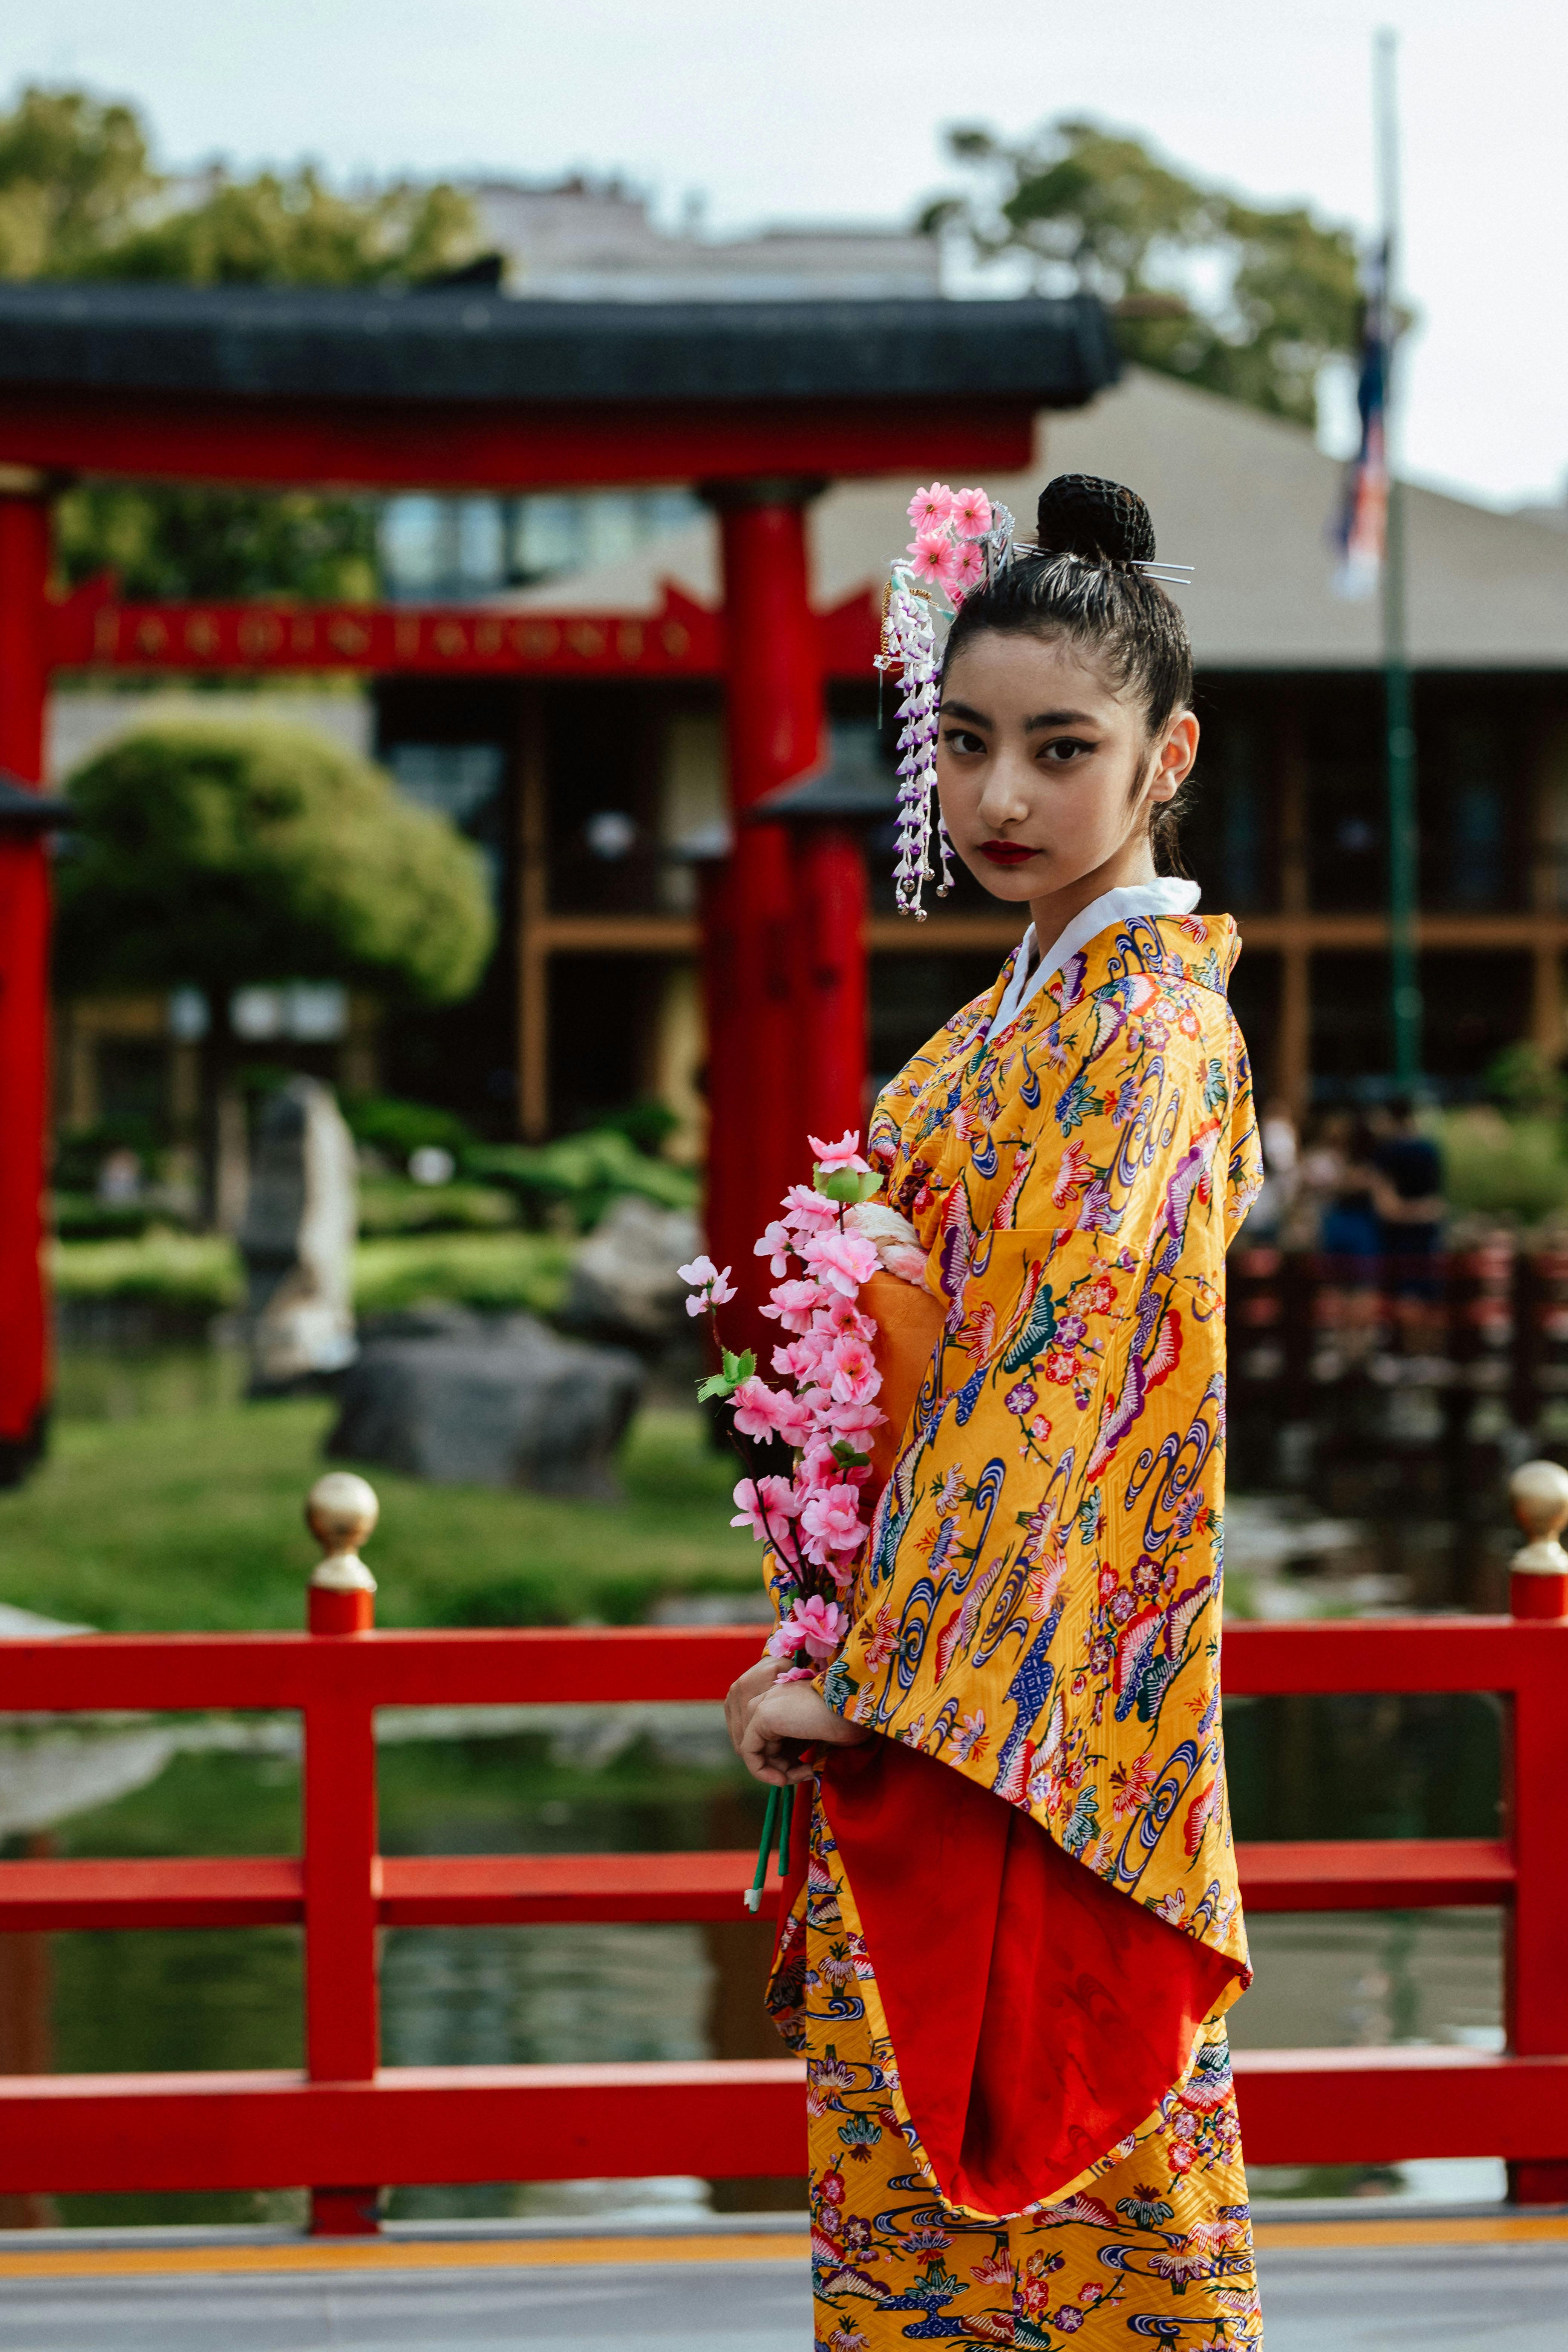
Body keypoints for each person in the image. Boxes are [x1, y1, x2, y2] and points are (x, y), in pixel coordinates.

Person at [726, 475, 1263, 2347]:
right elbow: (889, 1379)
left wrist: (866, 1674)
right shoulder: (977, 1038)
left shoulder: (1151, 1030)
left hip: (1049, 1718)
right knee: (912, 2225)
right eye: (964, 746)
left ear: (1162, 754)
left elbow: (1057, 1382)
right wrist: (814, 1616)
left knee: (1086, 2210)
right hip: (934, 1678)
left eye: (1061, 747)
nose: (1004, 798)